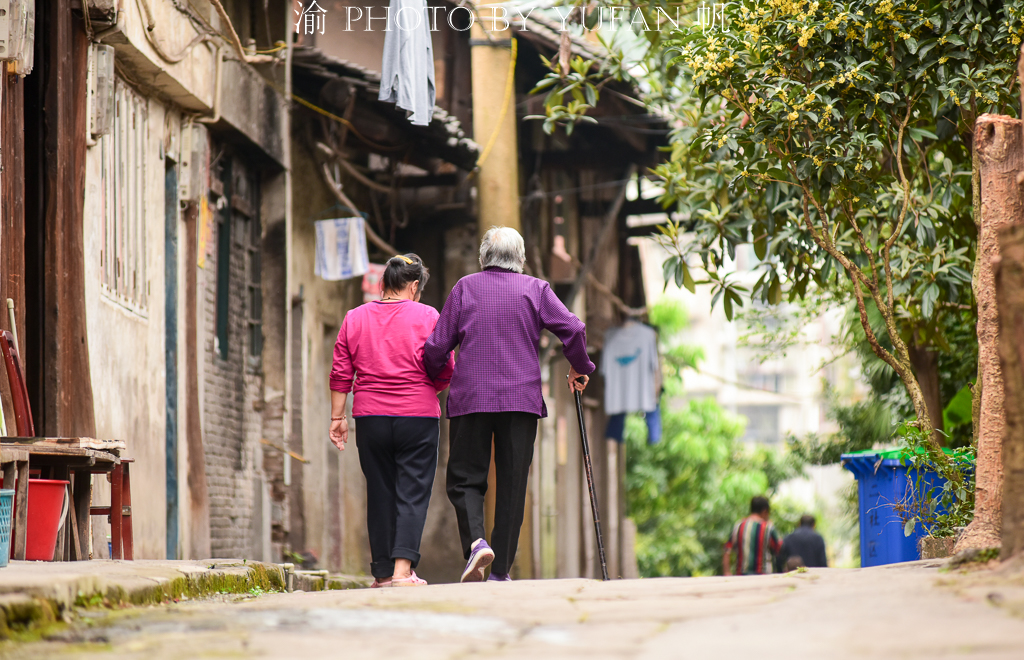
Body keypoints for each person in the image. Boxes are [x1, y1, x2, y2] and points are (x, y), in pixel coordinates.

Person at [423, 226, 595, 582]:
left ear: (484, 256)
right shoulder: (536, 289)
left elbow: (437, 347)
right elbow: (574, 329)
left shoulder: (465, 288)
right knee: (514, 483)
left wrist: (434, 373)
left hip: (473, 398)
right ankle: (500, 572)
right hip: (521, 400)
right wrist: (580, 366)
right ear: (520, 258)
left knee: (465, 478)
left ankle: (476, 544)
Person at [329, 254, 454, 588]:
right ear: (414, 286)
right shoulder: (428, 315)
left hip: (370, 418)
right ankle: (402, 572)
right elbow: (444, 364)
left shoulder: (355, 317)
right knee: (412, 491)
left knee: (380, 491)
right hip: (418, 417)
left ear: (383, 284)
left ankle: (383, 574)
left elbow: (341, 371)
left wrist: (337, 416)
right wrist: (431, 388)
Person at [723, 496, 783, 576]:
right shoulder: (767, 528)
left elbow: (727, 549)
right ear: (765, 511)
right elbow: (778, 547)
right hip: (763, 576)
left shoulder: (739, 526)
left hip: (741, 576)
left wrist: (727, 571)